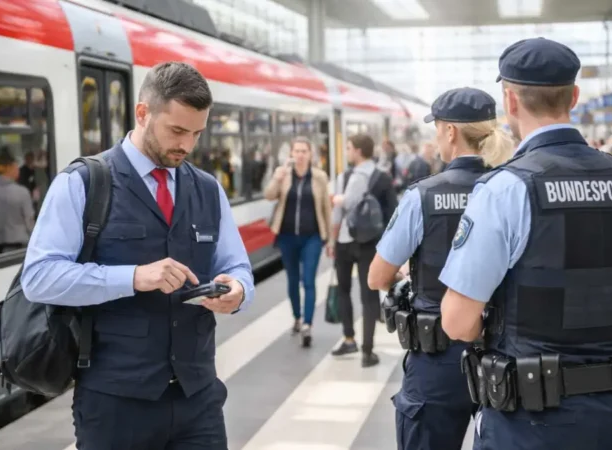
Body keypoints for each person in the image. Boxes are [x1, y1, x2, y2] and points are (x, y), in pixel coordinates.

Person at [437, 38, 612, 450]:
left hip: (527, 423)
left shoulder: (504, 189)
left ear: (510, 101)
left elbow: (456, 321)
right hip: (610, 419)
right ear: (574, 96)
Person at [21, 62, 254, 449]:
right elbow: (39, 277)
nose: (186, 145)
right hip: (115, 404)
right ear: (142, 113)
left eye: (196, 133)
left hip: (198, 400)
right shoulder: (82, 183)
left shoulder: (209, 190)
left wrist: (238, 290)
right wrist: (133, 277)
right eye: (177, 131)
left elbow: (236, 266)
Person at [368, 87, 513, 450]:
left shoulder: (423, 195)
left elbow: (377, 277)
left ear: (450, 131)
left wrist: (407, 273)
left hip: (437, 359)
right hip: (503, 358)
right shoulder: (512, 189)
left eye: (437, 129)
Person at [330, 134, 398, 367]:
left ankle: (349, 338)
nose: (347, 151)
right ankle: (368, 351)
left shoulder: (345, 176)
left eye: (348, 147)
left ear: (358, 151)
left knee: (343, 291)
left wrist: (332, 241)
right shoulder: (382, 178)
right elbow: (392, 214)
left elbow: (338, 214)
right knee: (369, 296)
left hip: (344, 242)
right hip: (370, 243)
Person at [264, 136, 333, 347]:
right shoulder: (284, 175)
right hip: (286, 237)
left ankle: (307, 325)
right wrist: (277, 177)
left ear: (310, 154)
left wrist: (330, 239)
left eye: (304, 151)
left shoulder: (320, 177)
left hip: (311, 236)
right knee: (293, 280)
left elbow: (326, 209)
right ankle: (297, 316)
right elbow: (269, 196)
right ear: (291, 154)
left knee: (309, 280)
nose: (301, 155)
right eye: (297, 151)